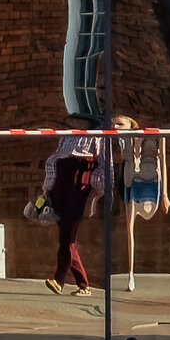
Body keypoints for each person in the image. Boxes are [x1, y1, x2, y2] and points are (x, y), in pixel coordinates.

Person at [40, 126, 104, 298]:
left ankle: (59, 280)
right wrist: (47, 188)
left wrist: (97, 192)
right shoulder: (67, 136)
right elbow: (53, 161)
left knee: (67, 238)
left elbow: (104, 166)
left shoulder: (97, 136)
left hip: (78, 191)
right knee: (68, 241)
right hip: (60, 189)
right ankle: (83, 286)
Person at [113, 115, 169, 292]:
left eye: (119, 124)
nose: (115, 127)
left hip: (151, 180)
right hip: (131, 181)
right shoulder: (121, 142)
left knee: (143, 216)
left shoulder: (155, 135)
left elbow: (163, 163)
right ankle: (130, 273)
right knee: (129, 227)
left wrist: (165, 194)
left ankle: (133, 272)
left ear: (131, 124)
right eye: (113, 124)